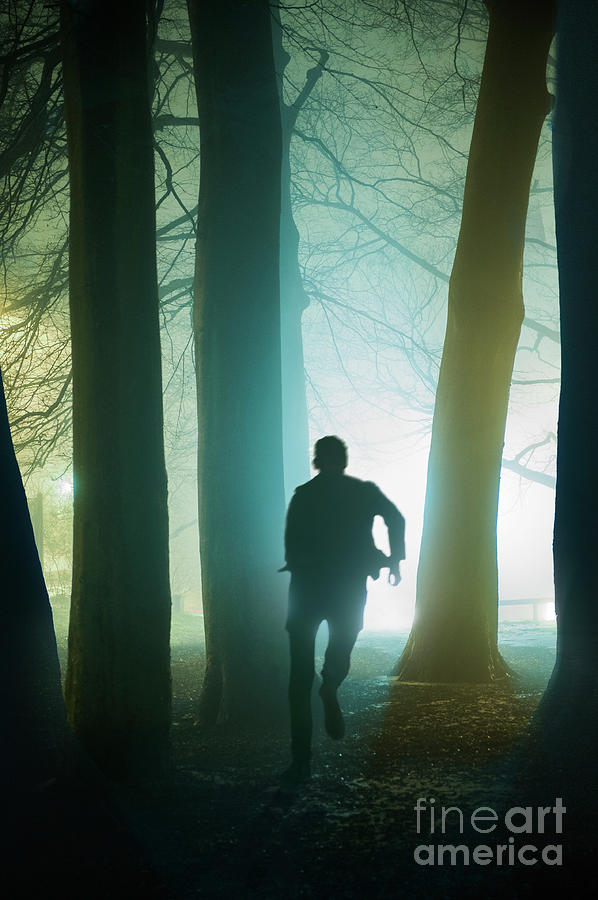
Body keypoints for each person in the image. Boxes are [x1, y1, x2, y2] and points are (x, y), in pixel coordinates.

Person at [280, 435, 405, 784]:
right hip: (348, 586)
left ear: (316, 461)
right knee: (343, 644)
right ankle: (332, 682)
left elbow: (291, 541)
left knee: (298, 679)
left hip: (306, 589)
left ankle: (300, 760)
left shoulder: (304, 495)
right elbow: (396, 519)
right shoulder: (363, 492)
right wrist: (394, 560)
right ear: (345, 460)